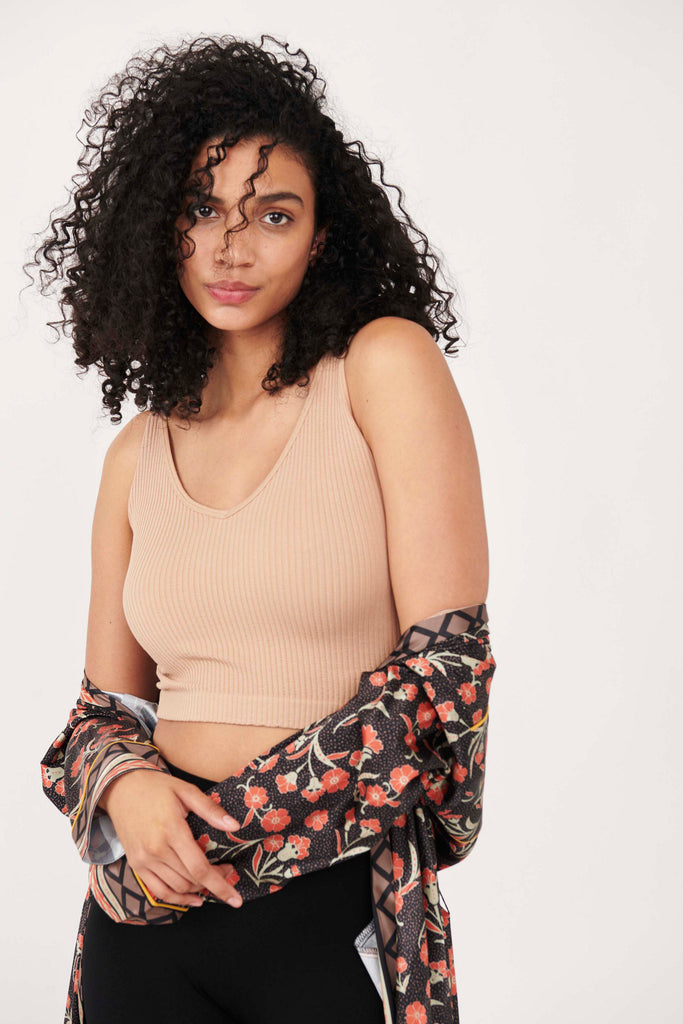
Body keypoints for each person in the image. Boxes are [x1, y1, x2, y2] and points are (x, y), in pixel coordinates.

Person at [28, 32, 489, 1024]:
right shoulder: (136, 452)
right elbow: (100, 716)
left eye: (272, 214)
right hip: (144, 924)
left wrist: (238, 819)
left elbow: (444, 681)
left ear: (320, 236)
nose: (230, 249)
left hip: (322, 904)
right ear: (158, 226)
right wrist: (125, 788)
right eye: (201, 210)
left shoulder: (382, 369)